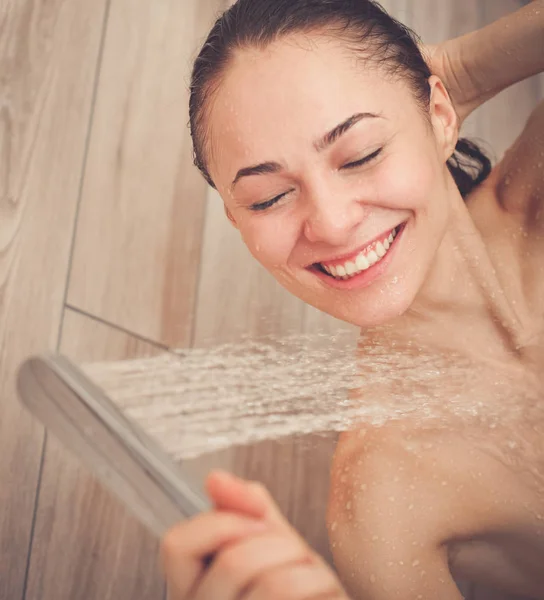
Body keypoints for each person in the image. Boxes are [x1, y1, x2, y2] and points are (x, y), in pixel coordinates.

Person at [161, 0, 544, 598]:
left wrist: (462, 72)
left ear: (441, 115)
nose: (333, 224)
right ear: (239, 224)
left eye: (361, 154)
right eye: (267, 198)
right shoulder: (383, 497)